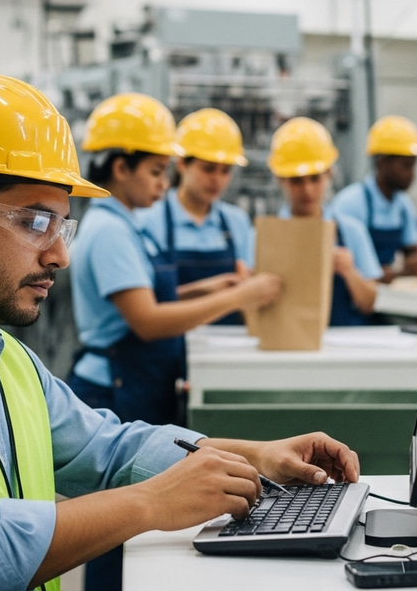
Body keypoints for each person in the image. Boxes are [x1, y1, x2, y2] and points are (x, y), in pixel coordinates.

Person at [0, 74, 359, 591]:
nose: (58, 255)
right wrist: (149, 502)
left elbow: (110, 449)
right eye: (34, 222)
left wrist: (254, 458)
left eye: (62, 226)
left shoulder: (5, 359)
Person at [67, 92, 281, 427]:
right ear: (121, 168)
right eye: (155, 172)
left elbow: (141, 299)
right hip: (113, 391)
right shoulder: (110, 231)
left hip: (137, 382)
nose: (164, 184)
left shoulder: (126, 223)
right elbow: (148, 321)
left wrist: (208, 288)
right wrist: (239, 297)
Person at [137, 107, 253, 325]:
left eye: (225, 171)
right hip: (170, 342)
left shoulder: (237, 222)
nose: (217, 180)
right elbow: (145, 304)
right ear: (181, 163)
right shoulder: (149, 220)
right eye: (208, 169)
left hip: (229, 346)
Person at [268, 117, 382, 326]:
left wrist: (349, 271)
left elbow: (370, 304)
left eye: (315, 178)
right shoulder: (265, 237)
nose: (307, 190)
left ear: (329, 174)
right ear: (280, 179)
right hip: (287, 347)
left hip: (344, 348)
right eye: (296, 181)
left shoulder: (351, 232)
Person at [332, 115, 417, 283]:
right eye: (406, 165)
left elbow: (413, 253)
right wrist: (372, 273)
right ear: (382, 163)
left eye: (414, 165)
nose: (413, 174)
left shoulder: (404, 207)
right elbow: (333, 264)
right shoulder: (349, 204)